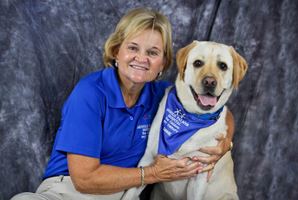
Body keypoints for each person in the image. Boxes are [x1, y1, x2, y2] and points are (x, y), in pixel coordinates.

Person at [11, 7, 235, 200]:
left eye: (153, 52)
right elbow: (84, 178)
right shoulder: (90, 93)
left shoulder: (164, 97)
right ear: (116, 51)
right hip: (67, 191)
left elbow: (215, 110)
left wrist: (226, 141)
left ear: (163, 63)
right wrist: (153, 174)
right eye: (133, 48)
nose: (142, 58)